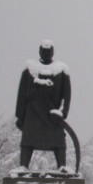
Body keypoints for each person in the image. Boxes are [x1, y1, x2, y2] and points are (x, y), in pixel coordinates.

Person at [15, 41, 72, 171]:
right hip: (32, 113)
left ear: (52, 52)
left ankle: (62, 166)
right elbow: (22, 93)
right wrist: (20, 115)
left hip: (53, 114)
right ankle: (23, 166)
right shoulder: (30, 68)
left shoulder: (61, 70)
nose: (46, 54)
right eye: (44, 51)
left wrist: (62, 113)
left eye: (48, 51)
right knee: (27, 142)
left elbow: (67, 95)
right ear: (40, 52)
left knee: (59, 143)